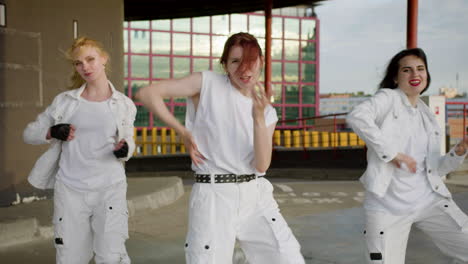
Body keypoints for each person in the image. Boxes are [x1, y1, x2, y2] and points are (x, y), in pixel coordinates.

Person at [136, 32, 305, 264]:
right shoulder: (207, 83)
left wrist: (257, 119)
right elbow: (147, 94)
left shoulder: (266, 110)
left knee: (287, 257)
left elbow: (262, 164)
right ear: (224, 64)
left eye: (250, 61)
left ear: (261, 62)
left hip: (255, 195)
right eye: (235, 61)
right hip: (214, 195)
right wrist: (182, 131)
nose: (244, 69)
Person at [347, 48, 468, 264]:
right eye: (407, 70)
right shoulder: (388, 98)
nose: (415, 75)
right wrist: (392, 154)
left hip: (429, 199)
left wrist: (458, 152)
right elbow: (358, 117)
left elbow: (435, 170)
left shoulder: (427, 115)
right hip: (388, 207)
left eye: (420, 69)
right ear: (395, 77)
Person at [23, 37, 136, 264]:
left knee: (112, 256)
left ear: (103, 59)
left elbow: (130, 142)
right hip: (71, 190)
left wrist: (125, 150)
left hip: (110, 188)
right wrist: (52, 132)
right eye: (78, 63)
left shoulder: (124, 104)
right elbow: (29, 133)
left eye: (90, 59)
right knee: (70, 257)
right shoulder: (64, 102)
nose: (85, 66)